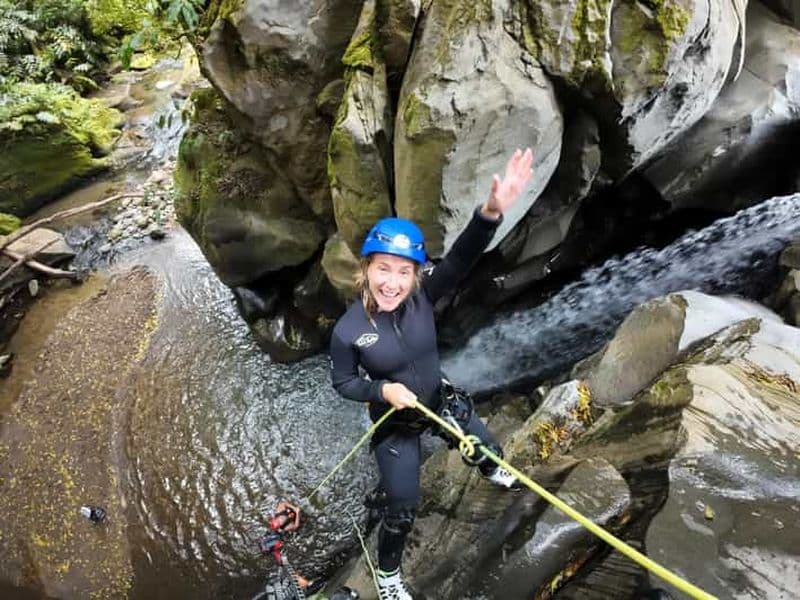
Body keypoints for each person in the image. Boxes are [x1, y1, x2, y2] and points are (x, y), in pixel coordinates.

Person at [329, 149, 535, 600]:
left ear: (415, 276)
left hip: (439, 401)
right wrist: (381, 388)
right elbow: (342, 383)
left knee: (489, 451)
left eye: (404, 272)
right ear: (366, 268)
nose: (392, 283)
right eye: (383, 268)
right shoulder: (348, 331)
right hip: (394, 425)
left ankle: (491, 470)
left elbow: (462, 256)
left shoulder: (423, 299)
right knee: (401, 507)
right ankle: (387, 579)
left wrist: (492, 210)